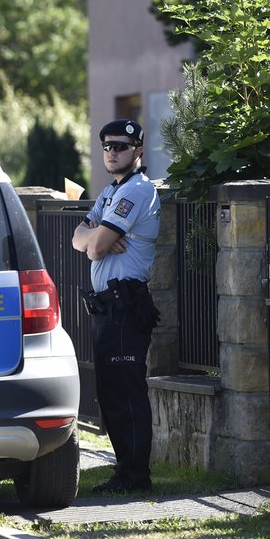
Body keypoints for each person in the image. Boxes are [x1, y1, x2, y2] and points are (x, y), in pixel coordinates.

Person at [72, 118, 161, 494]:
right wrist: (97, 236)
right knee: (110, 393)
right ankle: (125, 471)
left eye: (121, 146)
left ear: (138, 150)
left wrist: (96, 239)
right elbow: (79, 237)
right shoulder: (111, 191)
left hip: (126, 305)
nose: (112, 152)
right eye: (107, 146)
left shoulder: (136, 191)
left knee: (126, 392)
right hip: (108, 306)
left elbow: (91, 247)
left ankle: (135, 476)